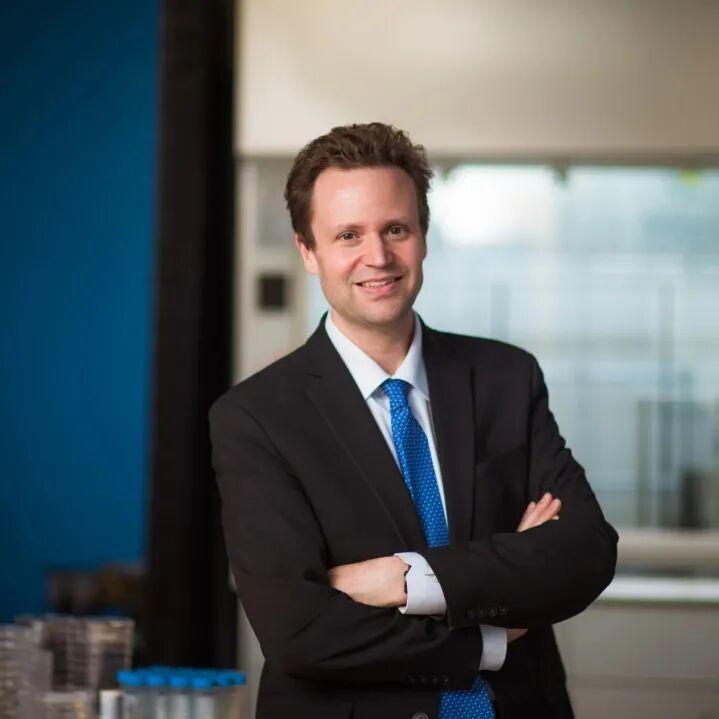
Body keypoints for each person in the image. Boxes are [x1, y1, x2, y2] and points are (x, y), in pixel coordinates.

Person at [209, 122, 617, 719]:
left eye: (395, 229)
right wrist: (492, 634)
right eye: (348, 235)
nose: (377, 257)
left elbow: (585, 551)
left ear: (423, 236)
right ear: (308, 251)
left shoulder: (506, 378)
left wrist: (408, 578)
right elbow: (300, 632)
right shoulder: (256, 418)